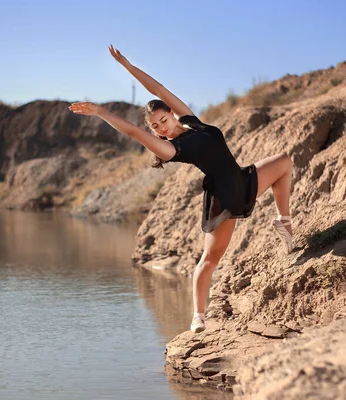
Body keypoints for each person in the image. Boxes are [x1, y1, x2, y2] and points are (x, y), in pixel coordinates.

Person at [69, 45, 294, 333]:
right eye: (155, 126)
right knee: (210, 259)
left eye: (164, 120)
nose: (161, 127)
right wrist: (102, 112)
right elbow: (133, 131)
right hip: (224, 197)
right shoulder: (170, 148)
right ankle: (198, 316)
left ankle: (284, 222)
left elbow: (158, 88)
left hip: (243, 178)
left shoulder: (191, 121)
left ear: (172, 115)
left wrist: (126, 65)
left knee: (284, 162)